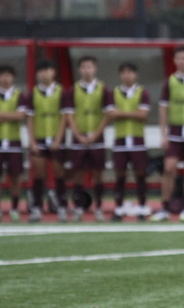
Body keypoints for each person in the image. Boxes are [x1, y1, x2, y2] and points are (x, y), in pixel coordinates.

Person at [151, 46, 184, 222]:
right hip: (175, 132)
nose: (182, 61)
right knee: (169, 168)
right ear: (174, 60)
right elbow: (163, 109)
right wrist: (163, 134)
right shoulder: (169, 82)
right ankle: (165, 207)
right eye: (179, 58)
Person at [62, 55, 114, 222]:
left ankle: (98, 207)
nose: (87, 70)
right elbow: (69, 114)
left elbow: (108, 114)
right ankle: (78, 207)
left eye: (90, 67)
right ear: (79, 70)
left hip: (96, 138)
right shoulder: (72, 90)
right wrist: (78, 135)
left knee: (98, 174)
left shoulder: (104, 89)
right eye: (83, 67)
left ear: (95, 68)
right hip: (79, 138)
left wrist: (95, 135)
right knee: (77, 174)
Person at [23, 60, 68, 223]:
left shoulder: (62, 92)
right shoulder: (33, 93)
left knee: (59, 173)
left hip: (56, 139)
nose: (45, 74)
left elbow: (64, 117)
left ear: (53, 72)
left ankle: (62, 207)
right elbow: (30, 118)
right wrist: (32, 141)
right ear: (37, 74)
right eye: (41, 71)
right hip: (40, 139)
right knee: (39, 174)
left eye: (48, 70)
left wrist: (58, 139)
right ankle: (36, 208)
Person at [110, 62, 151, 222]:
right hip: (120, 138)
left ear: (136, 75)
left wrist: (121, 113)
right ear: (120, 75)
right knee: (120, 174)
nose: (128, 75)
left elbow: (143, 115)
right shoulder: (113, 93)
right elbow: (110, 114)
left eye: (130, 72)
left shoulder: (142, 92)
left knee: (140, 173)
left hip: (137, 138)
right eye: (124, 72)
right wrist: (133, 113)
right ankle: (119, 208)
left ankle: (142, 206)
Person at [0, 65, 25, 222]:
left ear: (13, 77)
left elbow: (20, 116)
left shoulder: (19, 95)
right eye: (2, 75)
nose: (5, 78)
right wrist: (11, 115)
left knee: (15, 177)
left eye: (8, 75)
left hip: (14, 143)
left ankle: (14, 209)